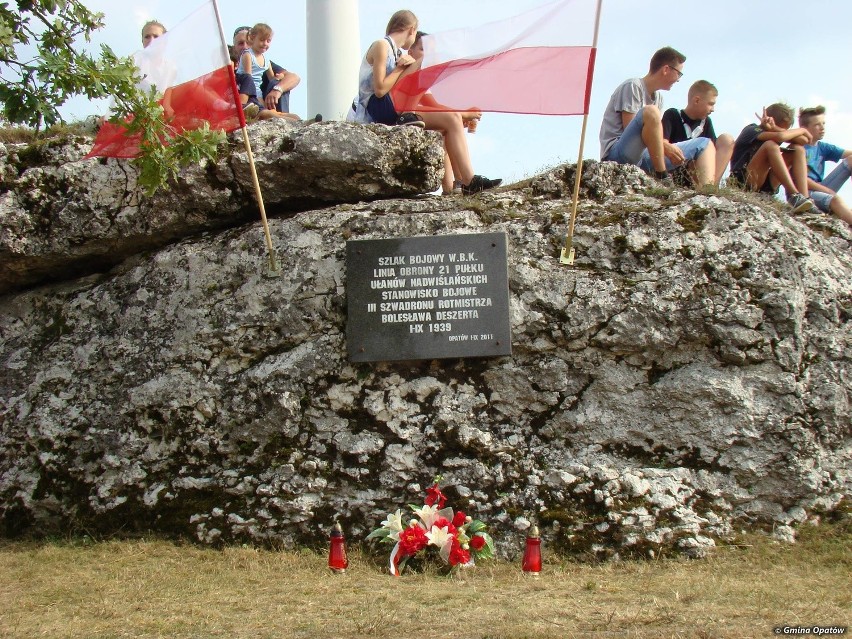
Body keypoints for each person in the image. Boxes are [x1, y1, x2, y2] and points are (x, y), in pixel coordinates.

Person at [599, 47, 714, 187]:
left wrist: (665, 147)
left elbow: (651, 135)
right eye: (679, 73)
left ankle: (708, 193)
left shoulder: (658, 98)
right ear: (666, 69)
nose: (678, 80)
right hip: (618, 155)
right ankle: (662, 176)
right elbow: (630, 128)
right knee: (651, 112)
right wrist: (665, 145)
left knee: (704, 144)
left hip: (644, 156)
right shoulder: (633, 86)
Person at [403, 31, 500, 195]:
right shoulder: (408, 70)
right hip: (402, 116)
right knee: (451, 120)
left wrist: (463, 114)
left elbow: (432, 104)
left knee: (449, 124)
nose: (428, 56)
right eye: (423, 49)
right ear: (410, 51)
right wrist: (465, 115)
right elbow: (433, 106)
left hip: (413, 115)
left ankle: (454, 186)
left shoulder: (419, 74)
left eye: (431, 51)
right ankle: (462, 182)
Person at [729, 103, 814, 212]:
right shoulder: (752, 129)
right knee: (771, 146)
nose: (786, 132)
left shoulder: (774, 130)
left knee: (798, 149)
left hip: (764, 184)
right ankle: (794, 195)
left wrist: (775, 128)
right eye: (786, 129)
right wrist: (803, 130)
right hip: (744, 181)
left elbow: (803, 141)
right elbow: (781, 136)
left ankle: (804, 199)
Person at [662, 80, 734, 186]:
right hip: (675, 170)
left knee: (727, 139)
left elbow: (713, 153)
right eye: (710, 104)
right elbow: (662, 142)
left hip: (698, 173)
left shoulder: (706, 122)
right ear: (696, 100)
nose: (713, 109)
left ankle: (711, 187)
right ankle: (706, 186)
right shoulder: (672, 115)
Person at [798, 105, 852, 226]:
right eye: (817, 125)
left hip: (821, 188)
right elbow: (799, 179)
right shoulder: (799, 148)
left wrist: (826, 190)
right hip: (806, 194)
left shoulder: (822, 147)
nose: (822, 128)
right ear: (804, 128)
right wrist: (827, 191)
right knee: (835, 200)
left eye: (823, 123)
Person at [233, 25, 299, 114]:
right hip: (243, 95)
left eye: (248, 43)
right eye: (241, 43)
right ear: (234, 47)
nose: (245, 46)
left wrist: (277, 90)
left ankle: (281, 118)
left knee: (279, 82)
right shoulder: (233, 64)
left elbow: (294, 77)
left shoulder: (264, 60)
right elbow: (247, 78)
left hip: (260, 95)